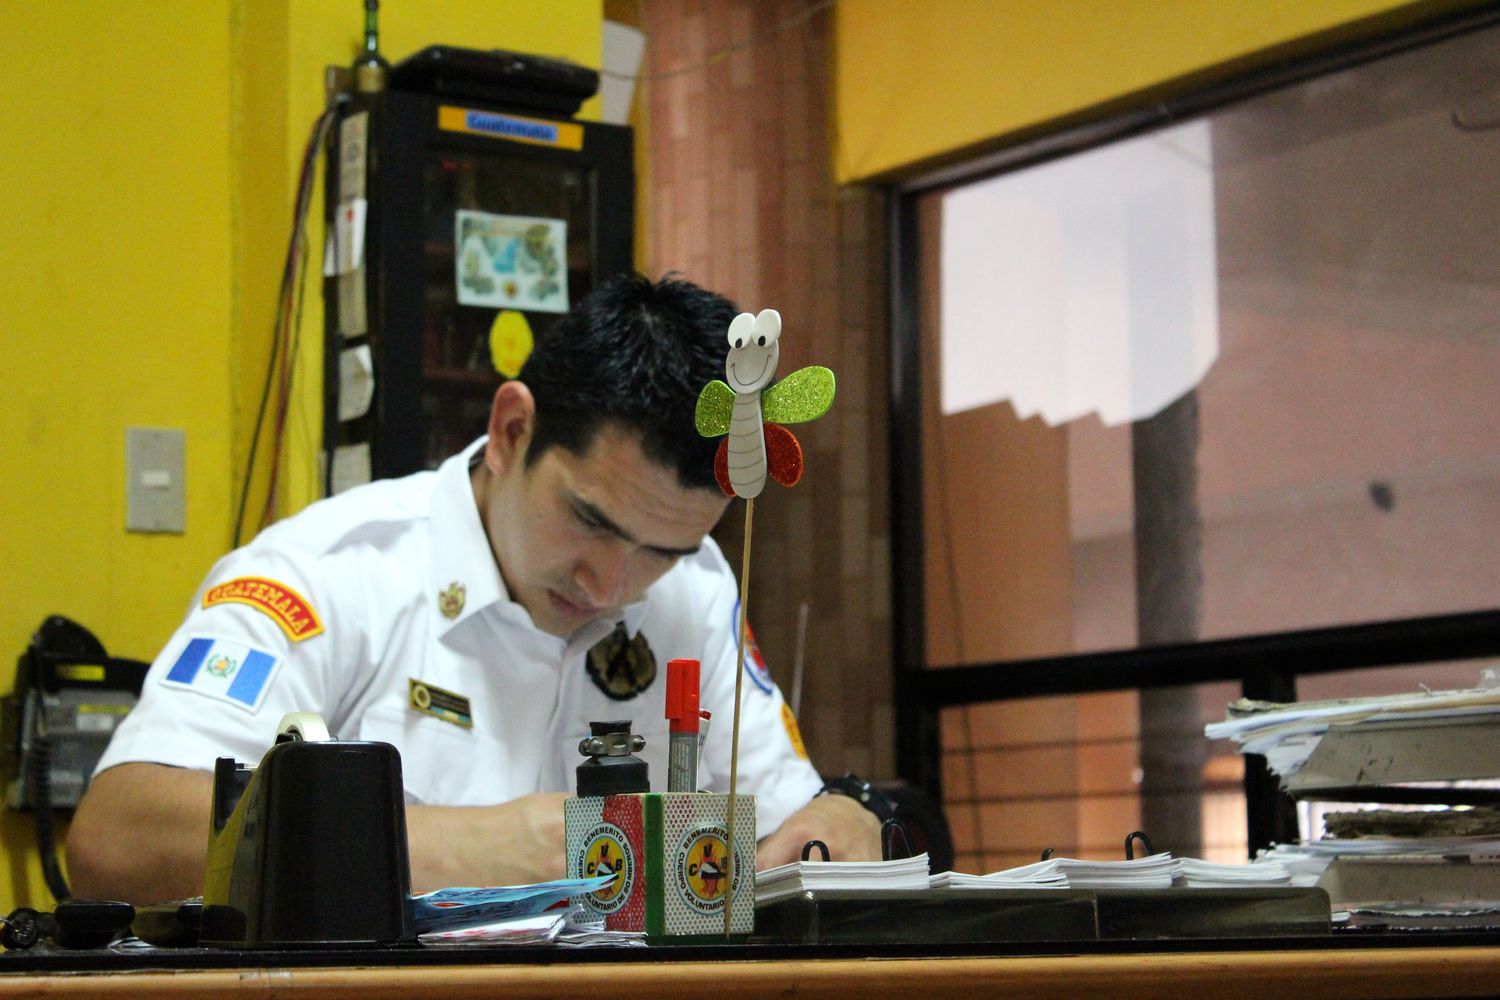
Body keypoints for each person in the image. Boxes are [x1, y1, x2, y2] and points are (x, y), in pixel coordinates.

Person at [67, 274, 882, 904]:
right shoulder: (329, 573)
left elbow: (783, 820)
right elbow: (115, 839)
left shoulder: (694, 587)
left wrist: (839, 817)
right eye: (589, 520)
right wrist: (475, 846)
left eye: (660, 551)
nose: (610, 586)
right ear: (511, 430)